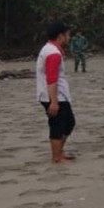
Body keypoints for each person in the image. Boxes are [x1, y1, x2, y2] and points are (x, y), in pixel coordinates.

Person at [36, 22, 76, 163]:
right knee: (58, 125)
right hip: (53, 95)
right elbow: (51, 78)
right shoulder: (52, 53)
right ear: (61, 36)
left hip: (58, 94)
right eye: (68, 35)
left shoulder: (52, 49)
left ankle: (60, 151)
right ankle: (56, 157)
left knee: (69, 123)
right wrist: (54, 101)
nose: (69, 37)